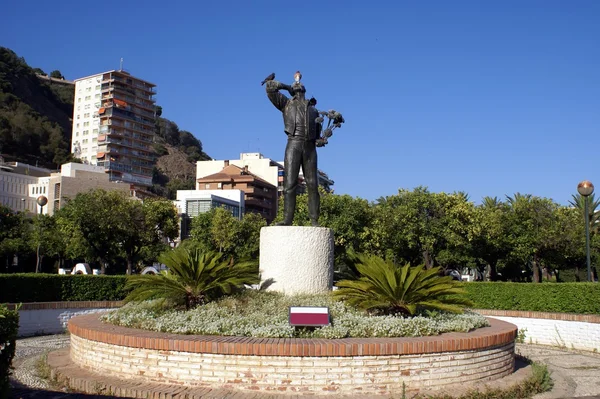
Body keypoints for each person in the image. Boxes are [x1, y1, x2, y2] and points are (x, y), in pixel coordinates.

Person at [265, 78, 322, 226]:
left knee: (313, 184)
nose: (298, 84)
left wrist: (320, 141)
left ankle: (314, 220)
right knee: (290, 184)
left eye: (300, 84)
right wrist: (285, 86)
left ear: (304, 90)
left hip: (310, 147)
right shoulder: (286, 103)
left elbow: (317, 136)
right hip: (293, 144)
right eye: (295, 85)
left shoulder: (314, 110)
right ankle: (287, 219)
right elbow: (270, 88)